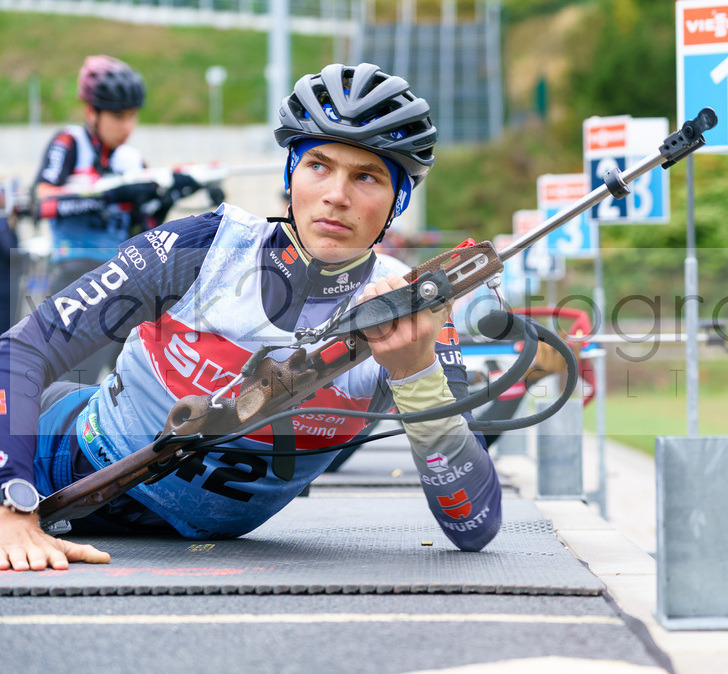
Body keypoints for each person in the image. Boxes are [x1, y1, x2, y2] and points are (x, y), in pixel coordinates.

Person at [0, 62, 502, 571]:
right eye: (318, 166)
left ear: (400, 199)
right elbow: (22, 350)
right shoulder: (204, 247)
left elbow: (473, 523)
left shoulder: (411, 308)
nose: (336, 195)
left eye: (367, 176)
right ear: (290, 174)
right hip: (51, 463)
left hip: (185, 549)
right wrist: (10, 507)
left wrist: (416, 374)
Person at [31, 55, 200, 382]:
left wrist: (169, 197)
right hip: (76, 273)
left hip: (125, 275)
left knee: (131, 380)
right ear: (91, 112)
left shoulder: (131, 158)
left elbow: (147, 228)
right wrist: (108, 196)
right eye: (119, 117)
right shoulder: (69, 143)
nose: (128, 127)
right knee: (72, 381)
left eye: (133, 116)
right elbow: (43, 203)